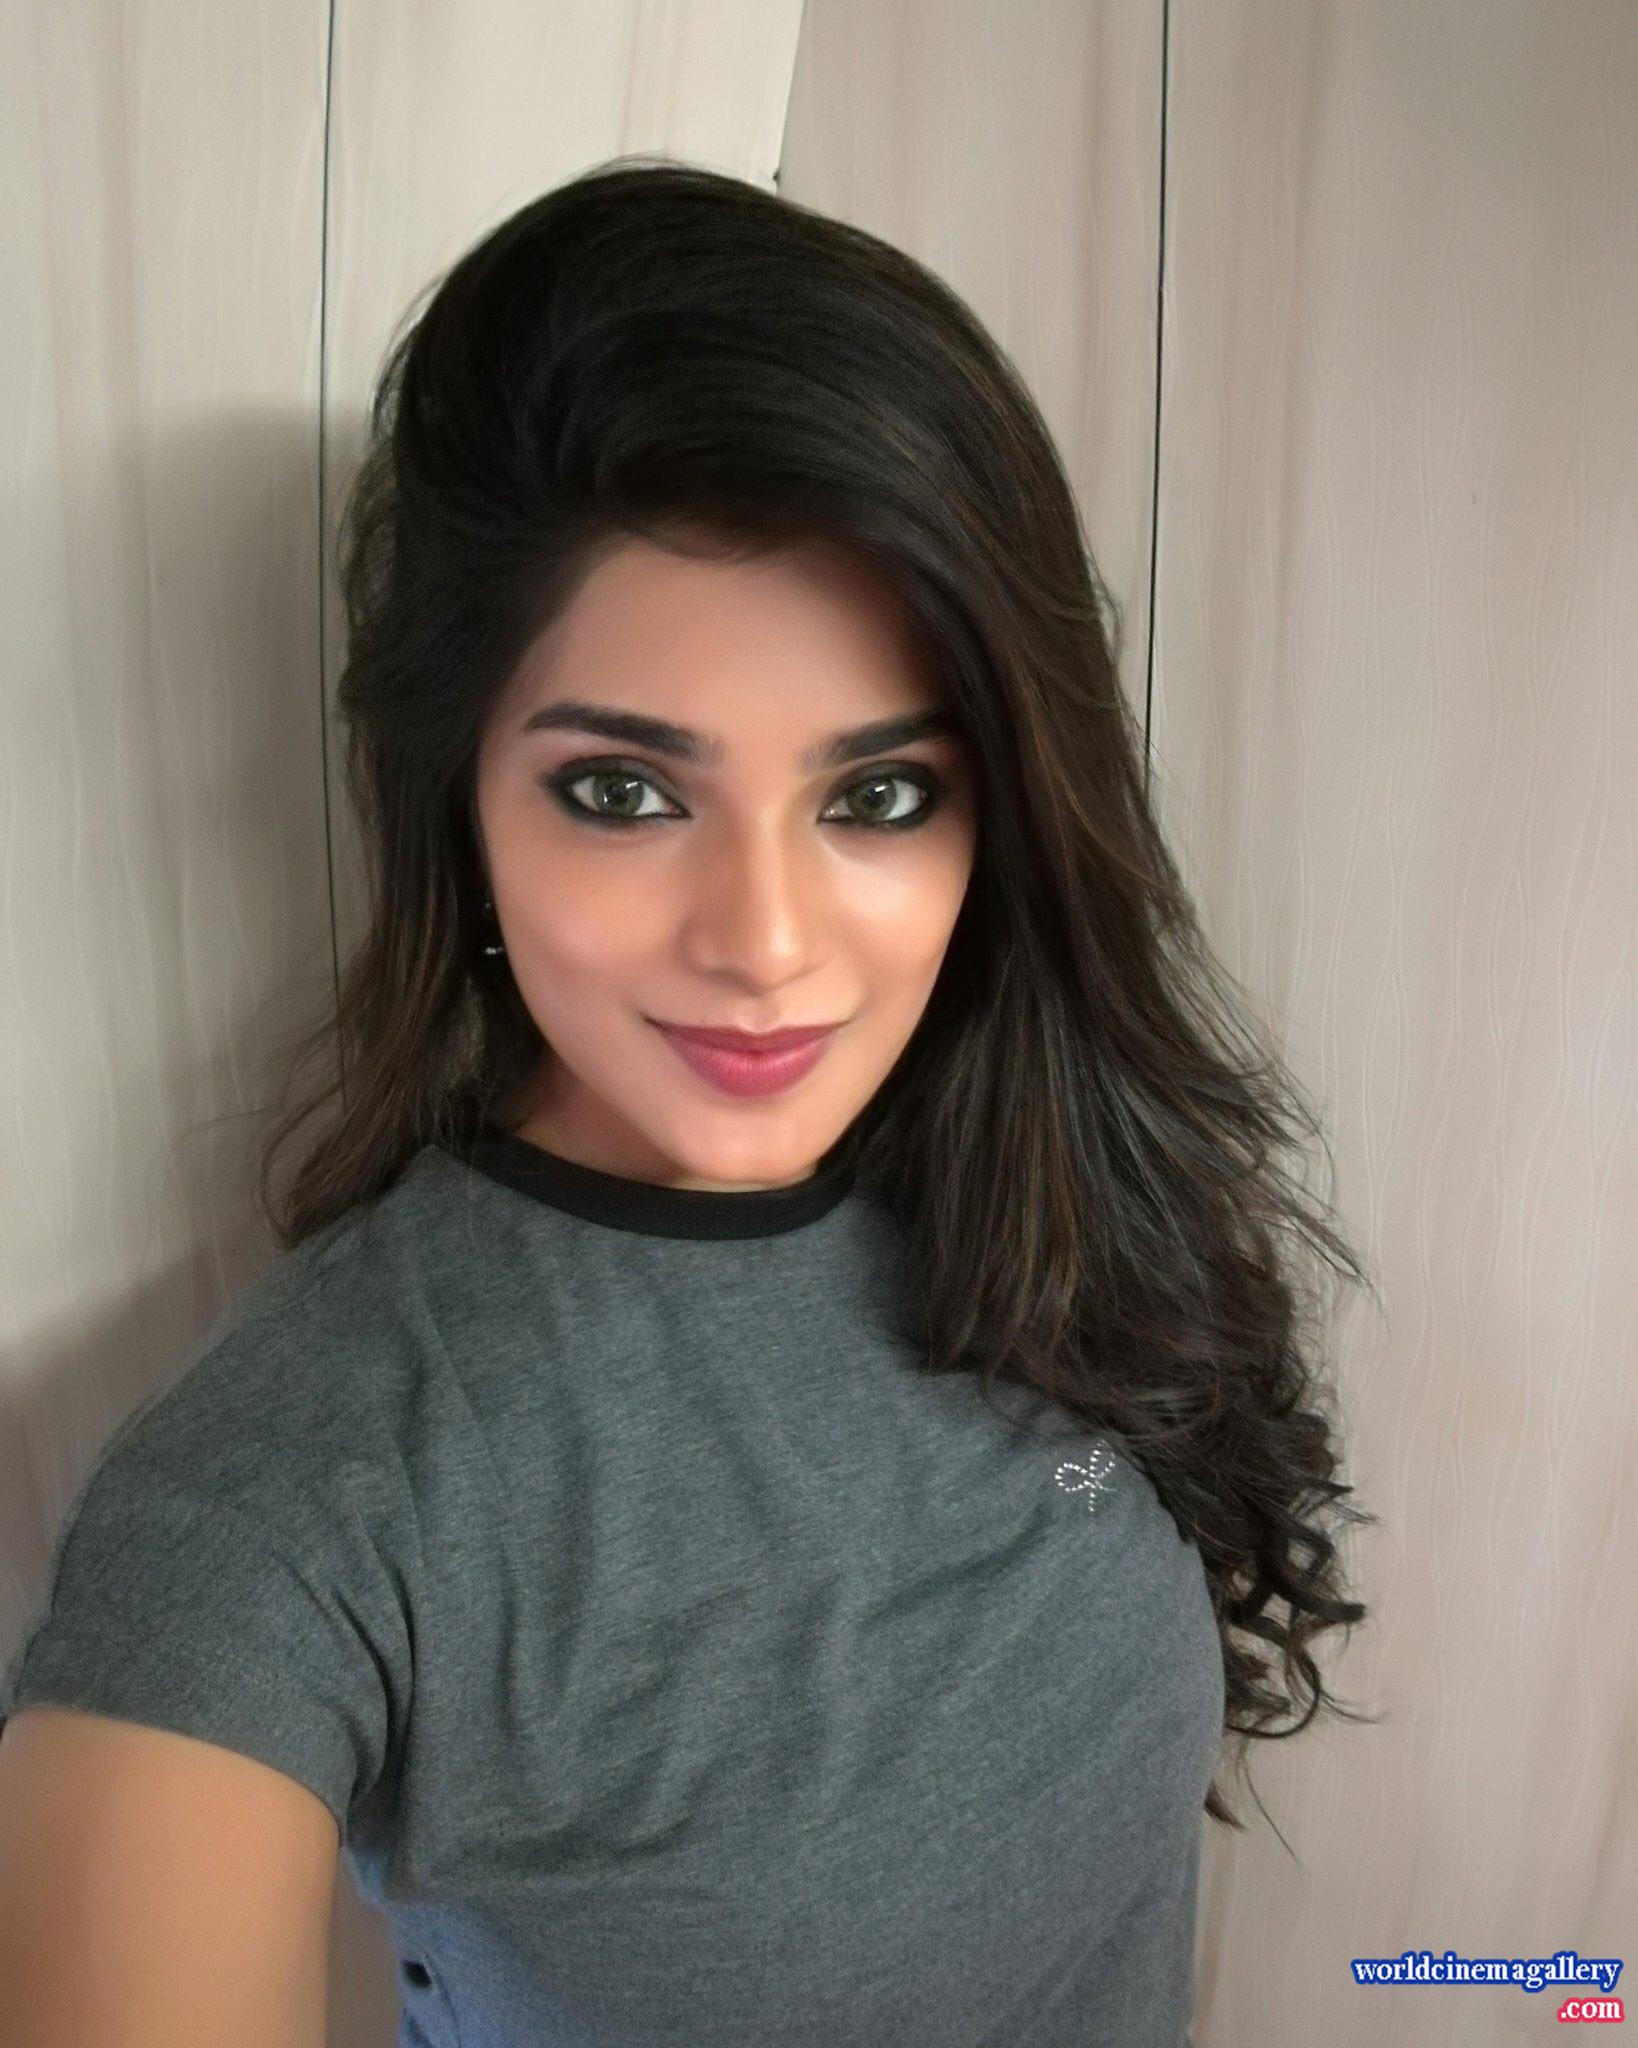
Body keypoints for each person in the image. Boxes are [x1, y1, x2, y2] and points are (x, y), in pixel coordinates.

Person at [0, 158, 1379, 2047]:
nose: (765, 943)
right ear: (459, 803)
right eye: (624, 794)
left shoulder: (1035, 1197)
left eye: (877, 796)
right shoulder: (305, 1480)